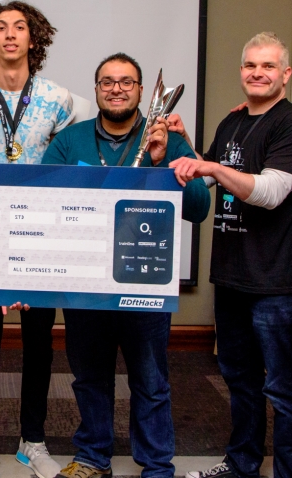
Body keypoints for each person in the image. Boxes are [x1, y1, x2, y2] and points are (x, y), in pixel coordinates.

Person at [42, 52, 210, 478]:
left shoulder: (167, 140)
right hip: (84, 286)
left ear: (139, 90)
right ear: (96, 89)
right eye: (107, 82)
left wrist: (159, 163)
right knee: (88, 378)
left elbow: (198, 207)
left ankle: (155, 464)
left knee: (150, 382)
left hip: (145, 283)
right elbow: (44, 202)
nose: (116, 88)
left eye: (126, 82)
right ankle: (92, 457)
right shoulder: (70, 141)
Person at [168, 32, 292, 478]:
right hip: (232, 275)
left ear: (286, 74)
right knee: (239, 380)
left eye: (268, 66)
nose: (258, 73)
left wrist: (214, 167)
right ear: (241, 71)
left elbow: (272, 191)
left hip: (276, 282)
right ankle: (242, 465)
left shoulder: (288, 123)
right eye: (250, 66)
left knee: (282, 389)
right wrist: (185, 146)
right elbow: (209, 178)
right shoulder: (232, 122)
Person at [0, 0, 74, 478]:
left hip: (39, 236)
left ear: (35, 39)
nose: (11, 35)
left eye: (20, 28)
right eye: (1, 28)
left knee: (38, 344)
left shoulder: (58, 98)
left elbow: (70, 168)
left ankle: (34, 441)